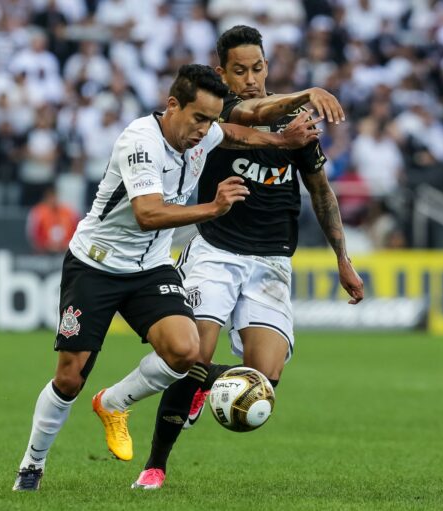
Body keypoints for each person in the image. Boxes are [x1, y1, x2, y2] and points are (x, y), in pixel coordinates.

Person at [13, 63, 332, 491]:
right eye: (199, 118)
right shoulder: (140, 142)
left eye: (210, 120)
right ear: (172, 106)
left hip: (150, 267)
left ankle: (113, 403)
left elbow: (236, 133)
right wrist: (213, 208)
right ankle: (32, 465)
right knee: (69, 377)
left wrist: (281, 140)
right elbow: (147, 214)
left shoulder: (205, 132)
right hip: (97, 264)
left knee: (186, 352)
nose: (205, 130)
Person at [131, 26, 364, 490]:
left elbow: (320, 191)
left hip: (272, 261)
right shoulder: (217, 116)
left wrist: (343, 257)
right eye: (240, 70)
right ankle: (155, 466)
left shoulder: (293, 122)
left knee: (264, 378)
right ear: (223, 73)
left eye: (258, 68)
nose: (252, 78)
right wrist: (309, 92)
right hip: (215, 251)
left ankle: (204, 386)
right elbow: (256, 110)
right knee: (193, 354)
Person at [26, 186, 78, 253]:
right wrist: (45, 245)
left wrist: (67, 244)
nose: (53, 200)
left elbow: (76, 231)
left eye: (54, 197)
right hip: (44, 252)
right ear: (45, 198)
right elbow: (32, 235)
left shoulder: (69, 212)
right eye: (50, 198)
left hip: (66, 250)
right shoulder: (38, 212)